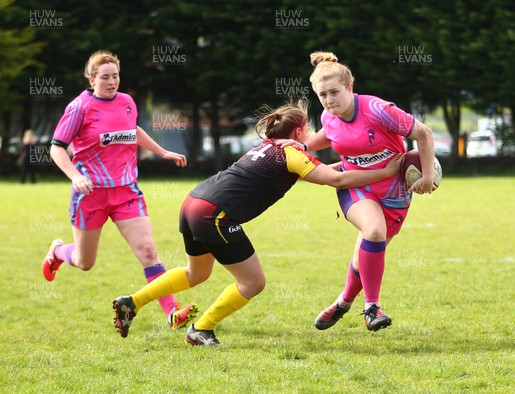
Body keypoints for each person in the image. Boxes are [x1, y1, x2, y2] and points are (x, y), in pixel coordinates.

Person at [112, 100, 404, 346]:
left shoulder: (269, 146)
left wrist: (361, 165)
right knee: (253, 282)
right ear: (300, 131)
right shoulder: (293, 153)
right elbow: (337, 180)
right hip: (214, 215)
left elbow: (323, 171)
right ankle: (201, 328)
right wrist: (387, 171)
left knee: (196, 273)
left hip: (193, 203)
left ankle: (132, 301)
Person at [42, 50, 198, 330]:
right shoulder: (79, 107)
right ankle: (57, 252)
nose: (111, 81)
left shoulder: (126, 102)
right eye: (105, 77)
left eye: (115, 76)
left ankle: (172, 313)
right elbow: (56, 148)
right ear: (92, 79)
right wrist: (75, 176)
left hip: (126, 192)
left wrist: (162, 152)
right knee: (85, 261)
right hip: (90, 194)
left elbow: (133, 130)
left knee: (149, 252)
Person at [289, 51, 436, 332]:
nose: (329, 100)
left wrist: (427, 177)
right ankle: (372, 307)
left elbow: (424, 134)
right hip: (355, 185)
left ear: (350, 87)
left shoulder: (378, 110)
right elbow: (328, 133)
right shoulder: (329, 115)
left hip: (395, 192)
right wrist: (305, 146)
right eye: (322, 95)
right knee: (373, 231)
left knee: (364, 256)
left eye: (334, 92)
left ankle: (343, 302)